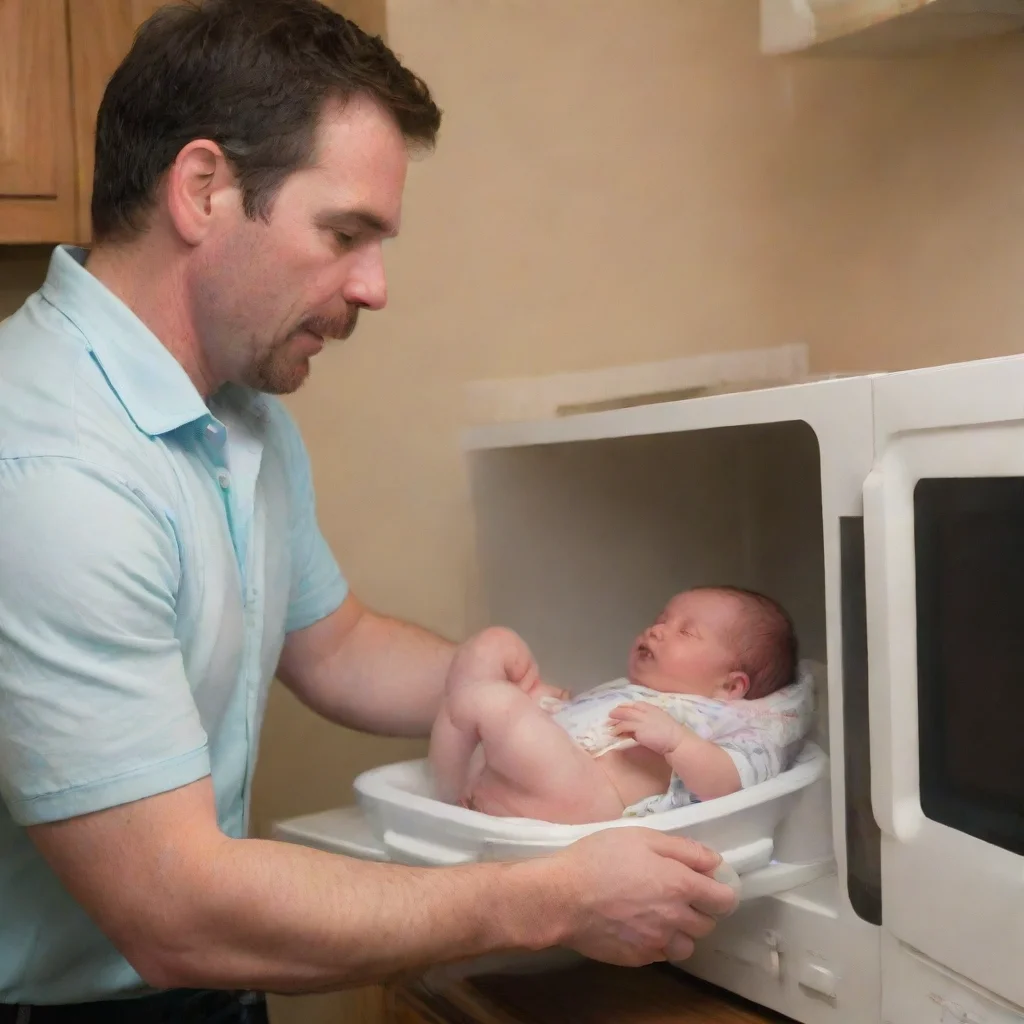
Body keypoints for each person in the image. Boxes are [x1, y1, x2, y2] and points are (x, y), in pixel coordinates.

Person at [0, 1, 737, 1019]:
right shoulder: (47, 471)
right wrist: (551, 898)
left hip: (203, 984)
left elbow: (331, 644)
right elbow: (168, 907)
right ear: (203, 190)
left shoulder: (237, 410)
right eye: (345, 233)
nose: (376, 287)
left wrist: (533, 695)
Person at [431, 587, 808, 824]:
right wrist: (543, 699)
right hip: (535, 777)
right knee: (494, 644)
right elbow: (574, 718)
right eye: (661, 620)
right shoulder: (630, 689)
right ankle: (462, 789)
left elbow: (730, 781)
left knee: (492, 701)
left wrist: (677, 742)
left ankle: (449, 791)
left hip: (589, 795)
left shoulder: (733, 720)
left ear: (730, 685)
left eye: (685, 631)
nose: (656, 630)